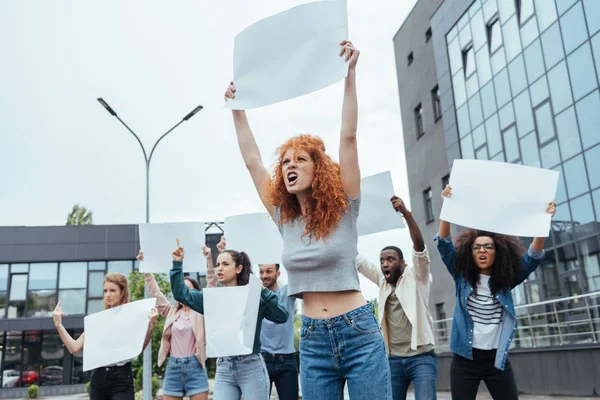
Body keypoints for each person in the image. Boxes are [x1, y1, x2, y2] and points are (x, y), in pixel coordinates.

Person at [225, 40, 391, 399]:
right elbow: (253, 162)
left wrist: (350, 75)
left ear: (319, 169)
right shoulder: (284, 218)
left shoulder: (346, 205)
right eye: (285, 161)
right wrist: (237, 109)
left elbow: (348, 136)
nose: (290, 166)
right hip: (313, 338)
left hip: (359, 331)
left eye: (300, 159)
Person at [436, 184, 556, 400]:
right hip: (464, 360)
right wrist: (447, 206)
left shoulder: (505, 281)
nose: (482, 250)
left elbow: (532, 258)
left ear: (497, 252)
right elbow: (444, 245)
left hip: (496, 361)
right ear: (470, 253)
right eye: (477, 247)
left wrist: (543, 221)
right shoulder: (461, 276)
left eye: (488, 247)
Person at [169, 239, 288, 400]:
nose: (219, 268)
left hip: (251, 365)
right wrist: (177, 264)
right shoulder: (211, 298)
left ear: (238, 268)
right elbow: (181, 294)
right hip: (224, 367)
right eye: (218, 265)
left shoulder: (253, 296)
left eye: (225, 264)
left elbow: (282, 316)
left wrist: (264, 292)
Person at [357, 196, 437, 400]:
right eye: (382, 260)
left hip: (421, 358)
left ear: (402, 262)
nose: (384, 264)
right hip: (392, 359)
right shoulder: (382, 281)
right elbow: (356, 259)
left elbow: (420, 248)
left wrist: (406, 214)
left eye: (390, 259)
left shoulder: (417, 277)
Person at [52, 272, 158, 400]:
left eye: (112, 290)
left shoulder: (132, 316)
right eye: (105, 291)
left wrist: (151, 326)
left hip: (121, 378)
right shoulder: (98, 320)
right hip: (98, 378)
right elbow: (74, 347)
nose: (108, 295)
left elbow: (138, 349)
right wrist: (59, 325)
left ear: (122, 292)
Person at [137, 243, 217, 400]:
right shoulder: (171, 312)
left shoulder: (201, 311)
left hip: (195, 366)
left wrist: (209, 260)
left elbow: (212, 285)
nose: (184, 294)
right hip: (173, 367)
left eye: (189, 290)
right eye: (182, 289)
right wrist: (145, 267)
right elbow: (155, 292)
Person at [259, 263, 299, 400]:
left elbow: (298, 275)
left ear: (278, 273)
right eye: (261, 272)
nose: (264, 276)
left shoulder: (287, 292)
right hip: (262, 359)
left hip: (287, 360)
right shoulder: (256, 297)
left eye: (269, 271)